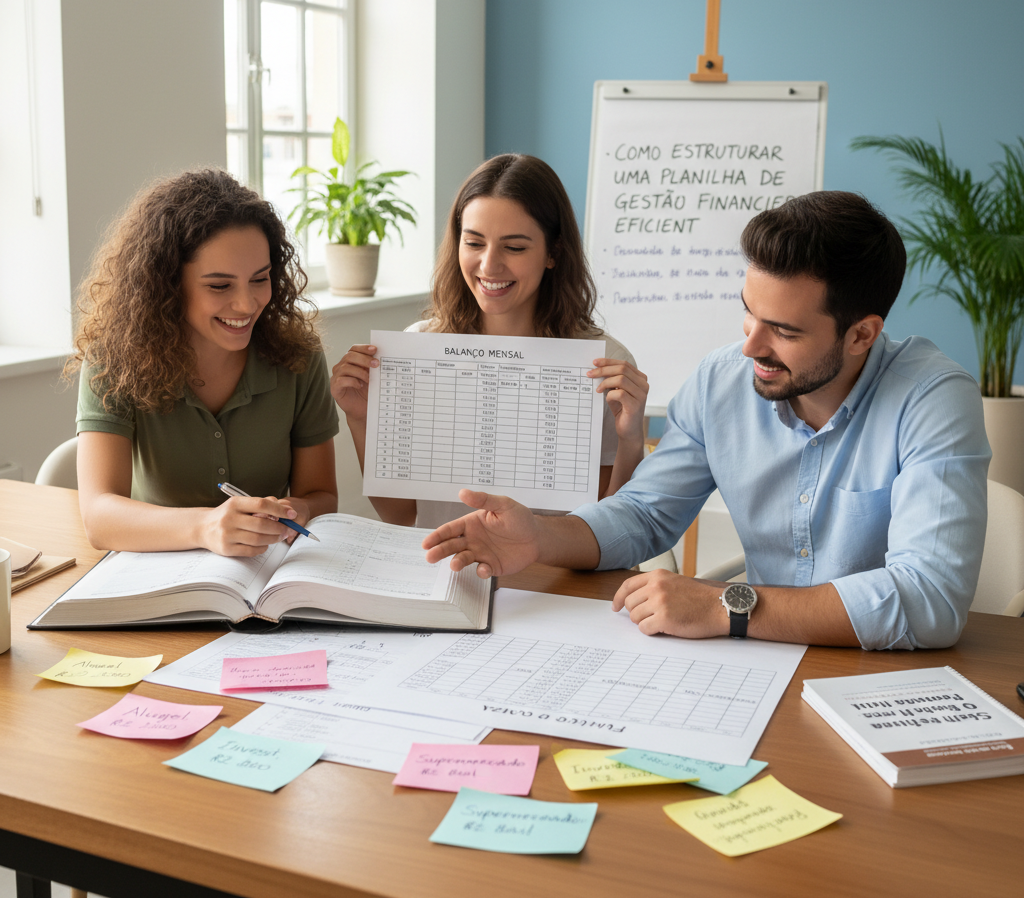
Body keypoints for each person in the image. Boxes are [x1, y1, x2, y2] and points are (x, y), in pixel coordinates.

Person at [422, 191, 991, 651]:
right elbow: (644, 514)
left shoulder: (934, 398)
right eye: (748, 311)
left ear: (862, 334)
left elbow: (931, 601)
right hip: (757, 658)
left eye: (785, 331)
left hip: (876, 674)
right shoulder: (722, 380)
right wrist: (540, 536)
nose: (751, 348)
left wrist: (727, 605)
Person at [330, 153, 650, 528]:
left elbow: (612, 531)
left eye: (514, 247)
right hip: (445, 573)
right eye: (474, 242)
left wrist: (630, 440)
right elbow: (401, 516)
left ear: (553, 253)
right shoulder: (419, 347)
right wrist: (360, 418)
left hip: (548, 579)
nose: (489, 266)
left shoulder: (604, 362)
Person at [71, 168, 339, 557]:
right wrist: (205, 527)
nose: (247, 305)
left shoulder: (298, 357)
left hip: (263, 578)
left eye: (260, 278)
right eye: (219, 286)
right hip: (155, 573)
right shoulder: (114, 359)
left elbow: (322, 494)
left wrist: (301, 509)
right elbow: (98, 517)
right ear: (166, 283)